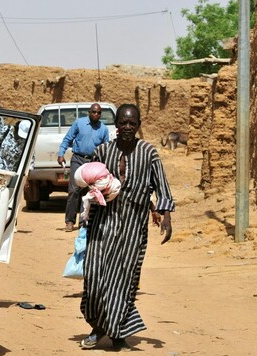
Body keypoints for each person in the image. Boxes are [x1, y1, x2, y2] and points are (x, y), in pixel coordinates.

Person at [79, 103, 174, 350]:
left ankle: (118, 330)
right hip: (103, 223)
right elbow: (87, 180)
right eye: (123, 123)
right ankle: (99, 326)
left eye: (132, 123)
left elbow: (160, 185)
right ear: (117, 125)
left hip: (133, 227)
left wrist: (165, 215)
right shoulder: (103, 151)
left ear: (138, 125)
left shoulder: (149, 153)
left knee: (124, 278)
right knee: (96, 275)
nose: (128, 127)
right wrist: (94, 192)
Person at [57, 103, 109, 232]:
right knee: (74, 190)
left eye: (98, 113)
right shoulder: (79, 123)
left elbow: (106, 148)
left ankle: (83, 221)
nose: (96, 115)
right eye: (94, 112)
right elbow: (68, 138)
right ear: (89, 112)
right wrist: (61, 154)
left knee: (87, 192)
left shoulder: (103, 129)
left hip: (92, 161)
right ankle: (69, 221)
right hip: (78, 159)